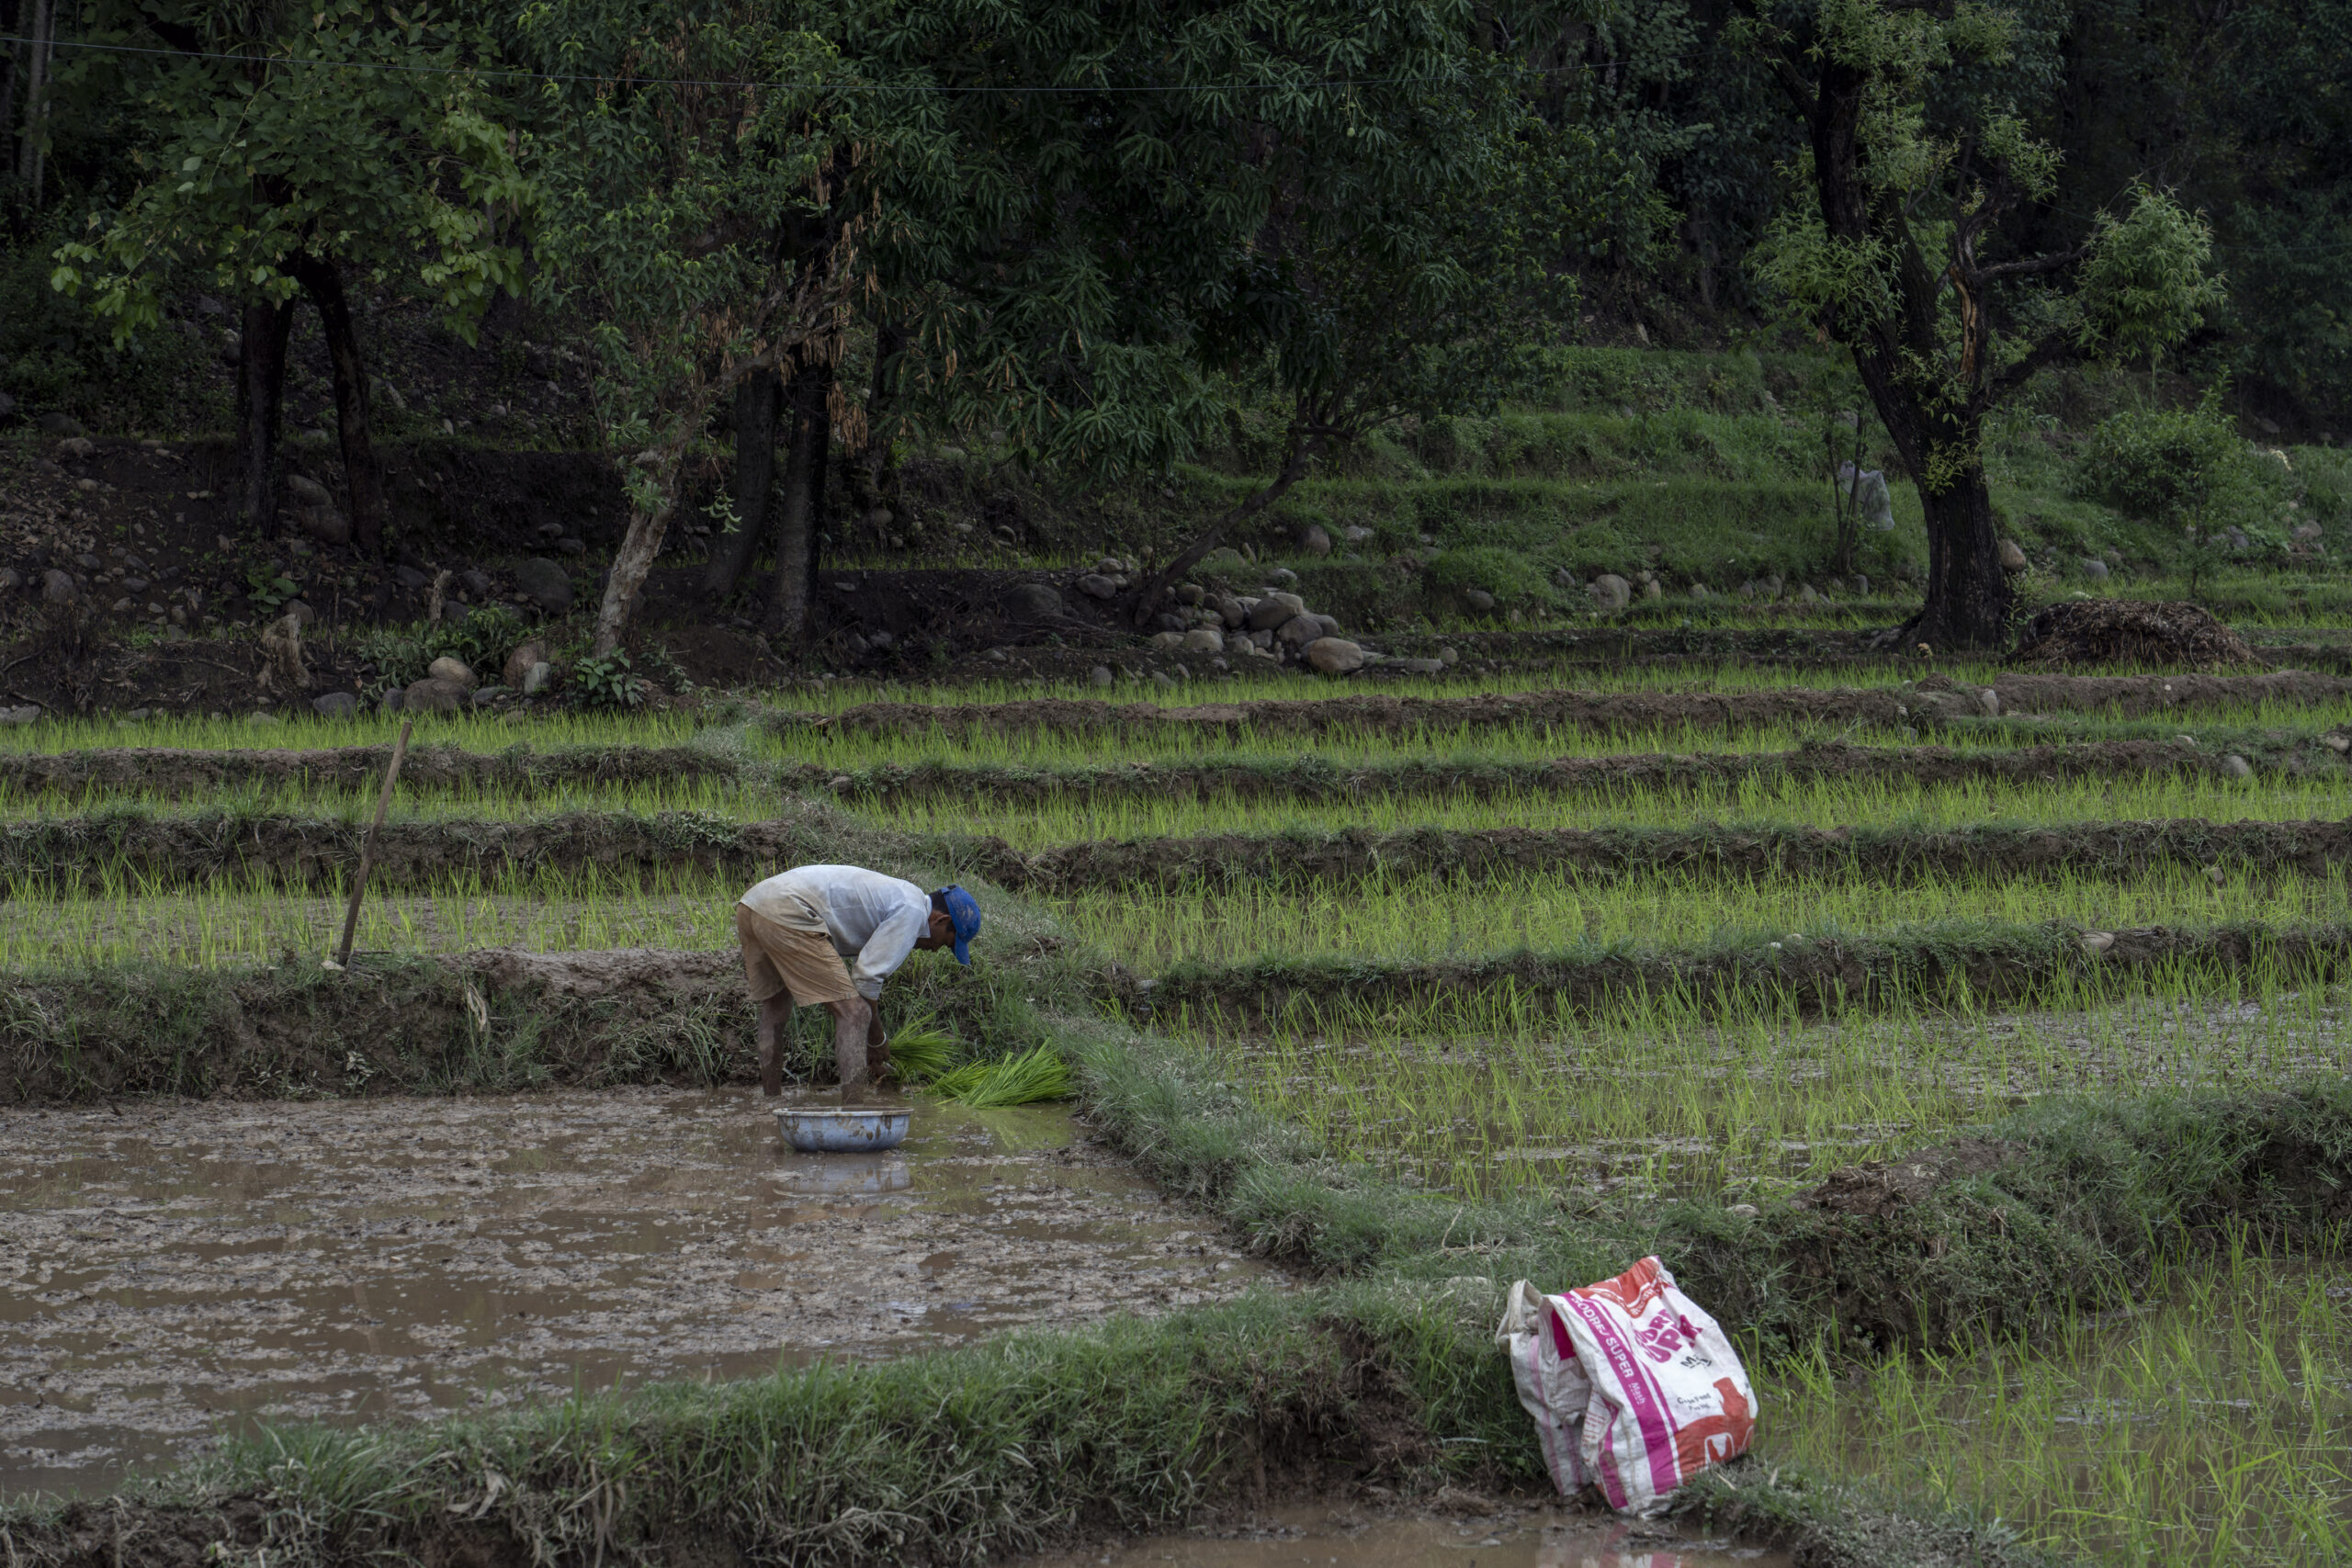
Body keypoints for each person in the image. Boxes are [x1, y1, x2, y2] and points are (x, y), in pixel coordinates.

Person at [735, 864, 981, 1100]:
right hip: (789, 910)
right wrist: (877, 1040)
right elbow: (865, 979)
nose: (937, 950)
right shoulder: (913, 911)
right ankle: (854, 1113)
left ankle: (770, 1102)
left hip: (753, 904)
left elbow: (862, 970)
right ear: (940, 919)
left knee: (775, 1008)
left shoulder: (903, 895)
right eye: (947, 943)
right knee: (855, 1014)